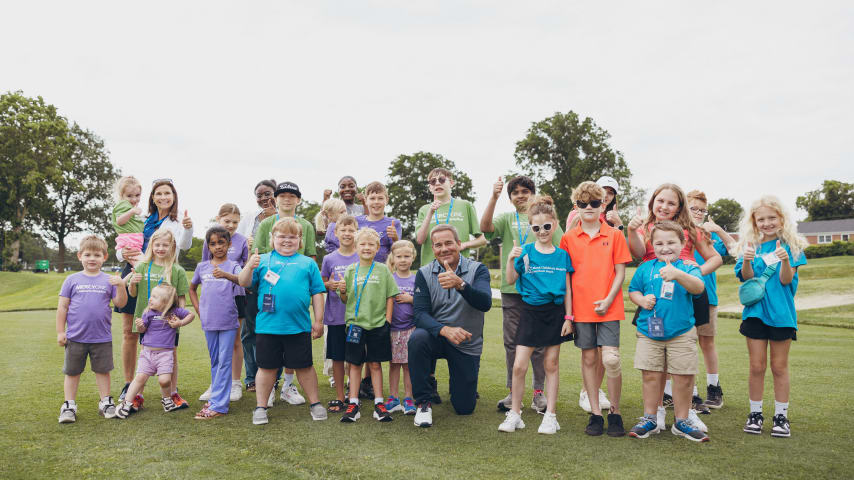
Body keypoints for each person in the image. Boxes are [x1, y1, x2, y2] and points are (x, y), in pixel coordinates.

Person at [627, 183, 722, 427]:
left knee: (683, 355)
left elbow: (716, 258)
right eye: (660, 201)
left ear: (680, 206)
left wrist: (692, 273)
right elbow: (638, 254)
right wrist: (631, 232)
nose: (665, 207)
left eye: (671, 203)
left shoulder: (691, 229)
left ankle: (686, 411)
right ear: (652, 202)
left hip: (686, 295)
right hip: (654, 294)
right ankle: (655, 412)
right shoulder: (646, 227)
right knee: (654, 359)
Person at [480, 175, 564, 414]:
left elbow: (561, 249)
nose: (520, 195)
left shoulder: (544, 220)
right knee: (511, 343)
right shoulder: (508, 218)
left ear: (532, 193)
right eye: (515, 192)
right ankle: (512, 391)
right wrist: (494, 198)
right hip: (512, 290)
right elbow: (485, 228)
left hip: (538, 293)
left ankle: (539, 393)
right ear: (510, 197)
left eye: (525, 191)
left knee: (538, 346)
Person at [559, 181, 632, 436]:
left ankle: (615, 412)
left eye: (594, 203)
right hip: (581, 310)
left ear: (603, 204)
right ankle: (595, 414)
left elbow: (621, 272)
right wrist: (568, 315)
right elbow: (567, 281)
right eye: (583, 203)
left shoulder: (615, 235)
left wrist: (609, 299)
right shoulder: (568, 238)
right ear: (575, 206)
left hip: (609, 307)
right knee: (589, 358)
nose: (588, 208)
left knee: (610, 360)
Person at [239, 218, 327, 425]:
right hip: (268, 326)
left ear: (300, 240)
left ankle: (315, 403)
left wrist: (319, 320)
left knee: (304, 366)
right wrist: (249, 266)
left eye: (292, 236)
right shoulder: (262, 260)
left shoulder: (308, 263)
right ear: (272, 238)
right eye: (281, 236)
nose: (287, 240)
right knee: (267, 367)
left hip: (298, 326)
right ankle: (261, 406)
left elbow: (317, 293)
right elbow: (243, 282)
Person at [497, 196, 573, 435]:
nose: (542, 231)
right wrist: (510, 259)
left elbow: (568, 289)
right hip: (530, 312)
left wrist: (569, 318)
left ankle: (550, 415)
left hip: (555, 313)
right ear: (531, 227)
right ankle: (515, 414)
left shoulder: (562, 255)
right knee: (519, 366)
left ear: (555, 224)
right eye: (536, 227)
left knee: (551, 364)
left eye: (547, 226)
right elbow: (510, 280)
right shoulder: (526, 252)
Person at [627, 221, 709, 442]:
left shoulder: (688, 266)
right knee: (651, 375)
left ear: (682, 243)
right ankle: (650, 419)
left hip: (681, 332)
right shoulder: (645, 267)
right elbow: (633, 290)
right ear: (652, 245)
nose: (665, 247)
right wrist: (642, 300)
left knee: (683, 377)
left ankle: (682, 421)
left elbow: (699, 288)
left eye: (671, 242)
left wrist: (677, 274)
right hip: (649, 332)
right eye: (659, 243)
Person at [115, 179, 193, 407]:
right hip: (137, 273)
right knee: (130, 334)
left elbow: (185, 245)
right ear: (153, 197)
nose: (163, 197)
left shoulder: (178, 221)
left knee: (169, 339)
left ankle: (172, 390)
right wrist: (124, 256)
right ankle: (131, 386)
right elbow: (123, 242)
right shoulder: (141, 218)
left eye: (167, 193)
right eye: (158, 193)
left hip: (166, 277)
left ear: (174, 196)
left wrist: (189, 228)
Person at [734, 196, 807, 438]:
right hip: (755, 314)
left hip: (782, 315)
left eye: (771, 218)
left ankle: (781, 416)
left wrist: (785, 261)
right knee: (756, 366)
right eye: (761, 218)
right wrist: (746, 259)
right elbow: (746, 277)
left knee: (779, 366)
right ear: (754, 222)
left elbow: (787, 280)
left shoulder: (792, 247)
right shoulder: (750, 246)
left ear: (781, 219)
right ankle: (755, 414)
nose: (767, 223)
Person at [408, 225, 493, 427]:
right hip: (437, 337)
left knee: (464, 408)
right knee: (418, 338)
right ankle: (423, 403)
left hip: (466, 342)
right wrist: (445, 330)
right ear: (433, 248)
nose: (444, 249)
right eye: (438, 245)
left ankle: (460, 386)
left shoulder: (478, 269)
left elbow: (485, 303)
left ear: (459, 244)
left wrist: (460, 285)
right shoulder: (424, 273)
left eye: (449, 243)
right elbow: (419, 314)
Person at [253, 181, 316, 406]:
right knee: (268, 343)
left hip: (295, 294)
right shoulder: (266, 223)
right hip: (268, 292)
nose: (287, 199)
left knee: (293, 340)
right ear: (275, 199)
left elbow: (310, 256)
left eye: (292, 195)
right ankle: (269, 388)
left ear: (298, 200)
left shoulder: (306, 225)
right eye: (282, 195)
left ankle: (288, 385)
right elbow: (257, 257)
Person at [56, 236, 128, 424]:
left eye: (97, 255)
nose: (92, 258)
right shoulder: (71, 280)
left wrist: (121, 285)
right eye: (87, 254)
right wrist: (60, 332)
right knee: (72, 372)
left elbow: (120, 303)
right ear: (80, 256)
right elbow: (62, 307)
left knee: (103, 371)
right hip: (75, 337)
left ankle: (105, 402)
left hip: (101, 337)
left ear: (104, 257)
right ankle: (69, 405)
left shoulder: (109, 280)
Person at [337, 228, 399, 423]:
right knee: (354, 364)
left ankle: (379, 403)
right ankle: (353, 402)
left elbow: (391, 296)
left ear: (378, 248)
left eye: (371, 244)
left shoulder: (383, 270)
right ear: (355, 247)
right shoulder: (350, 270)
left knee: (375, 364)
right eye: (362, 244)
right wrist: (342, 291)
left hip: (378, 324)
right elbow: (345, 300)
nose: (366, 247)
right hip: (355, 325)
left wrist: (387, 321)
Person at [126, 229, 191, 412]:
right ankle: (139, 395)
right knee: (144, 358)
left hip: (168, 324)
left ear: (172, 247)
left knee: (171, 356)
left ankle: (172, 393)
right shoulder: (142, 267)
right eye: (157, 245)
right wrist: (132, 283)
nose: (161, 248)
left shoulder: (177, 270)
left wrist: (179, 317)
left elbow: (181, 297)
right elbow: (133, 294)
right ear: (151, 246)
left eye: (165, 245)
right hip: (146, 322)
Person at [687, 190, 736, 409]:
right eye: (693, 208)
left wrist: (717, 229)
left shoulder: (709, 233)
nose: (698, 213)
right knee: (685, 344)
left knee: (707, 342)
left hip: (707, 295)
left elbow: (735, 251)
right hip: (682, 294)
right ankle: (691, 393)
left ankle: (714, 388)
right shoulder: (679, 230)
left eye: (702, 210)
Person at [189, 226, 244, 419]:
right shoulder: (202, 267)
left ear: (229, 245)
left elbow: (243, 281)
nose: (217, 247)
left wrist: (226, 275)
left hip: (228, 320)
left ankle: (219, 405)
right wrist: (198, 308)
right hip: (209, 321)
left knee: (224, 362)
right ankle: (216, 399)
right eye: (213, 243)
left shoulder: (234, 266)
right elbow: (192, 288)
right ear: (208, 246)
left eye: (221, 242)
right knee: (215, 361)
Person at [116, 284, 195, 419]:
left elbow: (191, 315)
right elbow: (143, 330)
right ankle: (126, 403)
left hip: (165, 355)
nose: (150, 299)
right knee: (140, 378)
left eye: (154, 297)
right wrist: (140, 326)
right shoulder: (148, 313)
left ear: (166, 302)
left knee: (164, 381)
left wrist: (179, 323)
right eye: (151, 296)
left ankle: (166, 400)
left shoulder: (174, 311)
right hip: (147, 354)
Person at [200, 203, 249, 402]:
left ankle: (235, 383)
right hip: (215, 299)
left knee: (235, 340)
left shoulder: (243, 241)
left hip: (235, 296)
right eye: (227, 221)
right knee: (215, 345)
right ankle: (217, 382)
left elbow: (245, 270)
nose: (230, 225)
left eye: (235, 222)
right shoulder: (210, 238)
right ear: (219, 219)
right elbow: (205, 266)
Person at [235, 179, 277, 394]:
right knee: (249, 331)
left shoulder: (285, 216)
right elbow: (241, 246)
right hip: (253, 280)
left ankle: (276, 378)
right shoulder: (250, 219)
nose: (263, 198)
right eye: (259, 195)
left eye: (267, 193)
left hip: (276, 283)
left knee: (275, 330)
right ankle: (251, 376)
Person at [320, 215, 359, 412]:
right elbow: (321, 283)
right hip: (335, 316)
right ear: (335, 233)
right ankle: (340, 397)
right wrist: (330, 285)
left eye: (351, 230)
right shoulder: (329, 259)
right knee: (337, 357)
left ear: (356, 233)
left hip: (358, 317)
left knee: (355, 357)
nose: (347, 234)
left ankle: (354, 396)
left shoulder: (362, 256)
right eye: (343, 230)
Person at [415, 168, 486, 267]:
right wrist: (430, 214)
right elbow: (420, 240)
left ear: (451, 183)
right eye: (433, 181)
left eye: (442, 179)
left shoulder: (465, 206)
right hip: (430, 268)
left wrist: (464, 245)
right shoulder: (424, 209)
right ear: (430, 187)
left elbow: (482, 240)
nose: (437, 183)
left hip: (460, 268)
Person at [324, 181, 402, 263]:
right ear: (366, 200)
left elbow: (399, 252)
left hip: (381, 272)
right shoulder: (355, 221)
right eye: (372, 198)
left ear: (387, 200)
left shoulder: (394, 223)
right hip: (358, 270)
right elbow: (337, 238)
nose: (376, 202)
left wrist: (395, 239)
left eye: (380, 198)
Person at [385, 240, 418, 416]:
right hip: (392, 330)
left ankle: (408, 398)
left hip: (410, 329)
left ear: (412, 257)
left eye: (407, 256)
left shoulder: (416, 279)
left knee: (407, 365)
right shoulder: (389, 278)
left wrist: (410, 299)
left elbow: (424, 302)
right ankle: (393, 397)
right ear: (393, 258)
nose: (403, 260)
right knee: (393, 365)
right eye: (399, 256)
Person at [111, 176, 145, 267]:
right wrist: (132, 211)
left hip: (134, 243)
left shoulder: (129, 207)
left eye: (137, 195)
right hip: (130, 244)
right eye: (129, 196)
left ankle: (131, 280)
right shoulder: (123, 204)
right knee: (142, 267)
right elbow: (119, 221)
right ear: (122, 195)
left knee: (141, 268)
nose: (134, 199)